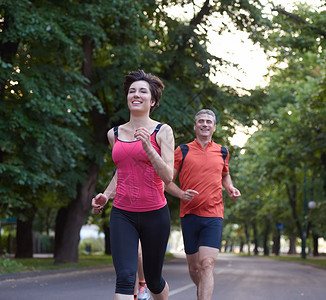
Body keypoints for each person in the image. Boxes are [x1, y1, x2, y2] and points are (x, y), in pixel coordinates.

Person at [92, 70, 174, 300]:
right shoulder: (114, 134)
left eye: (142, 91)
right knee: (126, 277)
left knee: (155, 282)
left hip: (155, 214)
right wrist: (106, 195)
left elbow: (168, 176)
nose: (136, 94)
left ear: (153, 100)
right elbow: (123, 170)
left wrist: (149, 148)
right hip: (122, 214)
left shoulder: (162, 131)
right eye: (131, 91)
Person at [165, 109, 241, 300]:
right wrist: (182, 194)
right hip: (189, 215)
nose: (205, 124)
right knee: (194, 267)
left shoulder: (223, 151)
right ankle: (203, 292)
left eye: (209, 121)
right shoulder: (182, 150)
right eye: (201, 121)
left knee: (207, 263)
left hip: (214, 214)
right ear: (195, 126)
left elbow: (225, 174)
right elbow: (167, 182)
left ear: (214, 127)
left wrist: (230, 187)